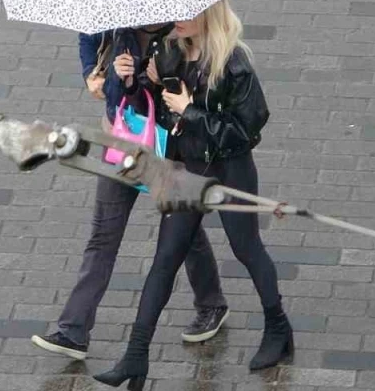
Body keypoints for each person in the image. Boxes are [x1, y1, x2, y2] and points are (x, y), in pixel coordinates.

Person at [93, 0, 291, 391]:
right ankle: (135, 354)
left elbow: (247, 131)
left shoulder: (233, 63)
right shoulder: (168, 50)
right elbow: (155, 111)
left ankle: (278, 329)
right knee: (165, 257)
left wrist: (190, 110)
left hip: (229, 168)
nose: (175, 19)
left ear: (208, 15)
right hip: (186, 167)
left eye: (185, 13)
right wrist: (135, 83)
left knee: (246, 247)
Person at [31, 24, 228, 361]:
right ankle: (72, 331)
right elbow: (88, 37)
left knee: (182, 231)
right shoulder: (115, 17)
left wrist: (158, 77)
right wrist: (92, 75)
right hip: (122, 139)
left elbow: (195, 95)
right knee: (103, 234)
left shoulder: (183, 32)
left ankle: (211, 303)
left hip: (166, 147)